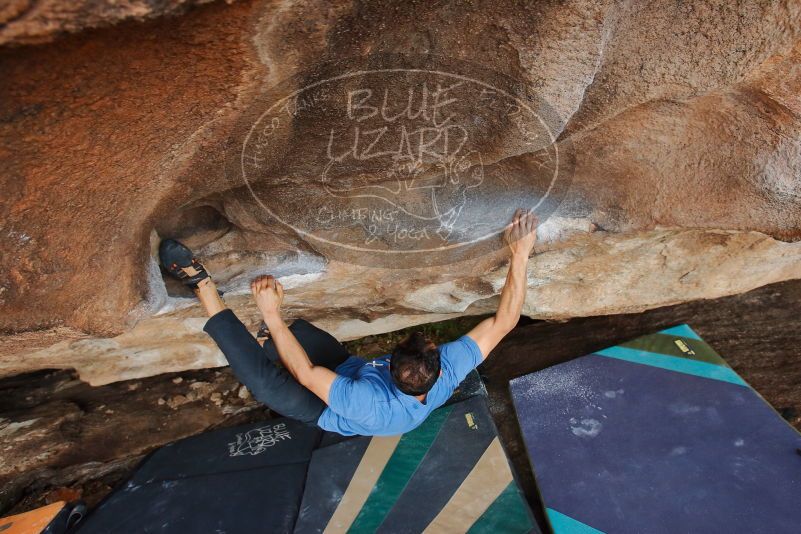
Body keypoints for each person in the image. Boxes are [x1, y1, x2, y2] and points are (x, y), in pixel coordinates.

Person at [159, 209, 538, 436]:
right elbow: (505, 321)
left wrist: (271, 313)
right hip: (350, 373)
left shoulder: (365, 402)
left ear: (387, 366)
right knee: (297, 337)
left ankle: (201, 284)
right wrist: (519, 254)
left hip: (322, 410)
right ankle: (264, 337)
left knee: (265, 380)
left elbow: (306, 375)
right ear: (439, 372)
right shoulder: (448, 370)